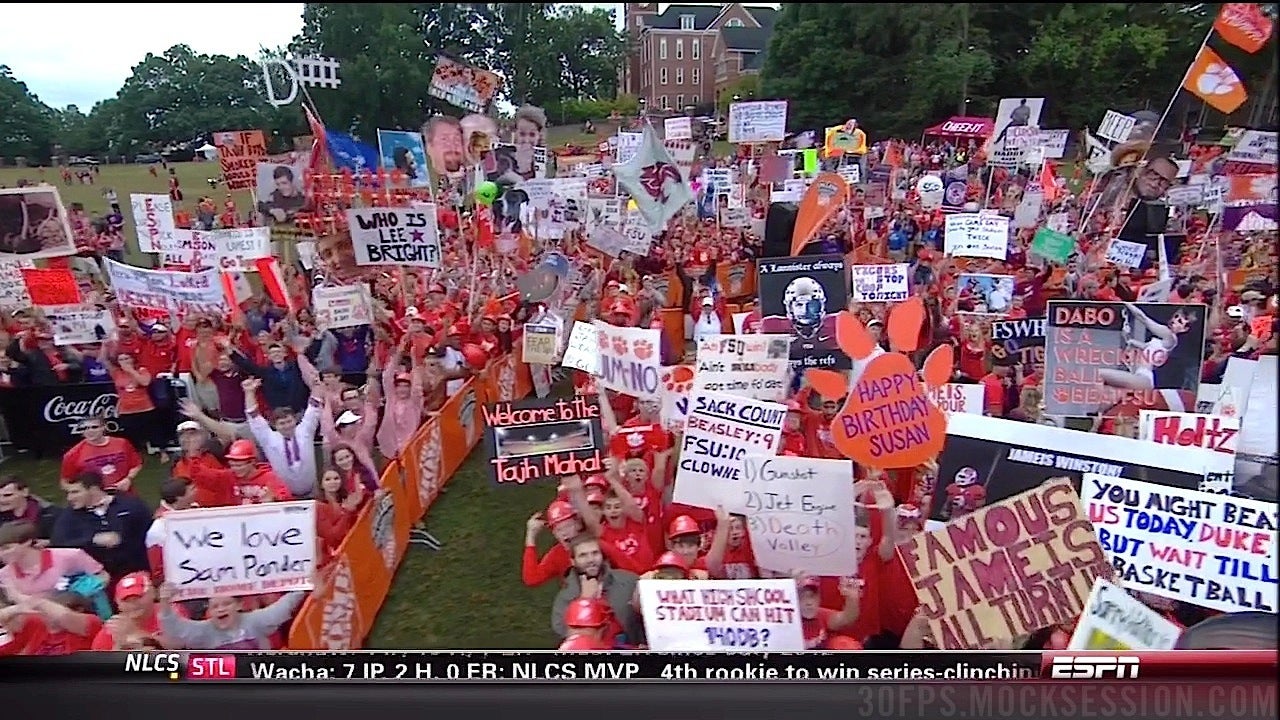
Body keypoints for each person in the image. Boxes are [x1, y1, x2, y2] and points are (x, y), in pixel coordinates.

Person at [50, 471, 151, 581]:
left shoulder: (131, 506)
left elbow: (151, 535)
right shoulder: (68, 517)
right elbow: (58, 545)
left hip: (136, 573)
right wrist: (92, 540)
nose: (69, 498)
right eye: (68, 493)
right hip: (96, 578)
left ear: (93, 489)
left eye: (75, 492)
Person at [157, 581, 307, 650]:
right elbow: (175, 629)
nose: (221, 609)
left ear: (239, 605)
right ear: (209, 611)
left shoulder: (254, 621)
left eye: (226, 604)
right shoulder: (203, 632)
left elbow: (282, 607)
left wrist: (304, 585)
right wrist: (164, 602)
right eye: (215, 606)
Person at [549, 535, 641, 645]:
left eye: (595, 553)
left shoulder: (628, 580)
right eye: (583, 555)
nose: (591, 560)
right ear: (573, 561)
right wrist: (585, 601)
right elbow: (566, 636)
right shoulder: (566, 596)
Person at [243, 377, 323, 499]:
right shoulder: (269, 438)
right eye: (282, 423)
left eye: (289, 421)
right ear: (275, 425)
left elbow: (314, 406)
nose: (287, 426)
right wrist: (249, 392)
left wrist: (316, 385)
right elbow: (253, 416)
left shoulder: (305, 430)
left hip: (313, 492)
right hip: (285, 496)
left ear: (295, 420)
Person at [1098, 303, 1197, 392]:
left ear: (1184, 329)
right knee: (1108, 394)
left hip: (1143, 378)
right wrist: (1130, 340)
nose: (1174, 321)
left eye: (1179, 321)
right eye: (1176, 316)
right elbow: (1144, 347)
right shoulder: (1163, 341)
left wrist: (1126, 303)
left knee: (1098, 374)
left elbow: (1143, 318)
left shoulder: (1169, 336)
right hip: (1139, 375)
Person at [0, 521, 108, 598]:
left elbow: (103, 576)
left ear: (27, 542)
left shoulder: (70, 556)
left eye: (7, 548)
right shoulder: (4, 574)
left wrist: (78, 593)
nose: (2, 553)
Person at [59, 414, 143, 493]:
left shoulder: (122, 443)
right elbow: (65, 483)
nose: (90, 431)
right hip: (95, 499)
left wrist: (128, 479)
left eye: (94, 427)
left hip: (126, 495)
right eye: (85, 428)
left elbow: (136, 464)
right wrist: (84, 491)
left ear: (104, 427)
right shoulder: (72, 454)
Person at [512, 104, 547, 181]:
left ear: (540, 135)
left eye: (532, 135)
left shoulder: (549, 163)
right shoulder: (505, 159)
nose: (526, 140)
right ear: (515, 133)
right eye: (522, 134)